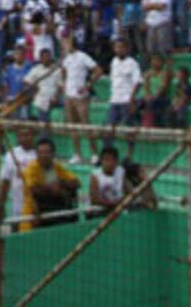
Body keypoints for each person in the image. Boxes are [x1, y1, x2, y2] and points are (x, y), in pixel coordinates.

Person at [21, 137, 81, 230]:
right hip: (35, 217)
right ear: (36, 154)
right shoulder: (31, 169)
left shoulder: (56, 167)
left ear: (53, 153)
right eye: (41, 152)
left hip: (56, 216)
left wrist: (61, 184)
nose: (44, 155)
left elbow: (76, 182)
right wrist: (52, 189)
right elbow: (33, 188)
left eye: (47, 152)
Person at [60, 36, 102, 164]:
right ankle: (77, 154)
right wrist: (64, 87)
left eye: (66, 42)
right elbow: (63, 73)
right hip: (69, 95)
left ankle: (94, 153)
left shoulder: (83, 56)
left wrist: (87, 86)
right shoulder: (66, 59)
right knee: (73, 126)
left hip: (81, 96)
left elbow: (98, 71)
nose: (64, 45)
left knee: (85, 124)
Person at [105, 38, 142, 159]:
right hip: (114, 100)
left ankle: (130, 154)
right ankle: (108, 154)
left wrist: (131, 99)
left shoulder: (132, 63)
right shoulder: (113, 62)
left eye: (121, 47)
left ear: (126, 48)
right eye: (117, 47)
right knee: (108, 128)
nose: (119, 49)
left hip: (126, 100)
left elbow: (138, 82)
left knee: (128, 129)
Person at [0, 126, 38, 230]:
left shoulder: (39, 154)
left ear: (33, 135)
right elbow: (5, 181)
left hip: (35, 206)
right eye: (21, 135)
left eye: (27, 135)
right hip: (16, 208)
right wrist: (1, 204)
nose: (25, 138)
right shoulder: (11, 154)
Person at [89, 146, 128, 213]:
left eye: (112, 160)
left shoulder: (121, 172)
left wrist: (123, 200)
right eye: (106, 160)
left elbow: (128, 192)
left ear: (116, 161)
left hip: (118, 210)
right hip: (99, 212)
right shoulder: (95, 175)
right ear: (101, 161)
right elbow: (94, 200)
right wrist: (113, 204)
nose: (109, 163)